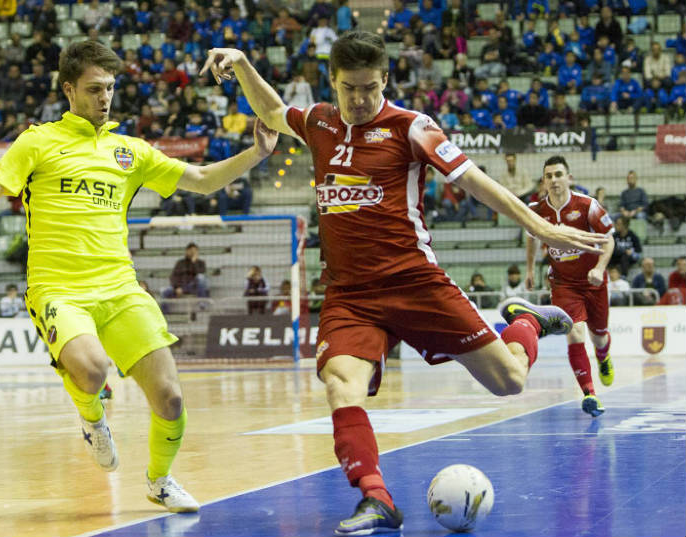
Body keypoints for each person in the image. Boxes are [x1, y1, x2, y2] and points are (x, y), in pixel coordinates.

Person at [201, 34, 608, 535]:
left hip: (414, 282)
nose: (359, 100)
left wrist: (539, 226)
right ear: (333, 83)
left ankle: (526, 321)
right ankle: (376, 497)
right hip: (350, 294)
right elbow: (276, 109)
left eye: (370, 88)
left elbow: (475, 180)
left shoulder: (412, 127)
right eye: (349, 88)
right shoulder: (321, 122)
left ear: (386, 81)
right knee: (339, 382)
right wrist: (242, 62)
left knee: (509, 382)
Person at [0, 40, 277, 514]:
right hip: (58, 289)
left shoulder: (130, 151)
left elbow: (201, 178)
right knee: (93, 371)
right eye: (94, 89)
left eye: (110, 88)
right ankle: (93, 420)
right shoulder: (37, 141)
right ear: (69, 90)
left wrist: (255, 154)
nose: (105, 97)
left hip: (120, 288)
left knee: (170, 399)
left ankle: (159, 480)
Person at [525, 156, 615, 419]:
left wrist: (598, 268)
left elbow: (608, 242)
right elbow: (531, 239)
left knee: (599, 336)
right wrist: (530, 269)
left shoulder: (588, 206)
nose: (554, 180)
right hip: (563, 283)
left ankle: (603, 355)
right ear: (544, 181)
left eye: (558, 174)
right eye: (549, 176)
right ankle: (589, 394)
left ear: (569, 178)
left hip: (593, 282)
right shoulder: (535, 210)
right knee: (575, 332)